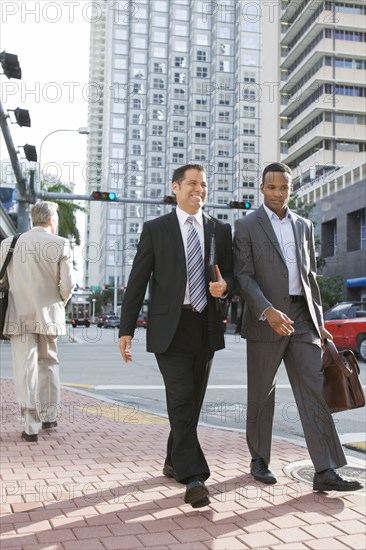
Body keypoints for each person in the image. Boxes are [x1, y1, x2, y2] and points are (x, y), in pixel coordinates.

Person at [233, 162, 362, 493]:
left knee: (314, 389)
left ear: (292, 189)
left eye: (284, 187)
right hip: (266, 320)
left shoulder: (304, 225)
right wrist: (267, 310)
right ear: (261, 189)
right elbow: (244, 276)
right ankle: (259, 459)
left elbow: (310, 278)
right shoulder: (246, 225)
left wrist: (320, 324)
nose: (278, 193)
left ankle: (325, 468)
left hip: (303, 318)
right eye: (272, 187)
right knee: (262, 393)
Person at [119, 164, 233, 507]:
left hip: (205, 326)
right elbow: (138, 281)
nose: (199, 189)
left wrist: (225, 286)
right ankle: (194, 476)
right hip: (169, 328)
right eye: (192, 184)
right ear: (176, 188)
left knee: (192, 404)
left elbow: (232, 277)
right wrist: (126, 330)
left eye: (204, 185)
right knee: (181, 400)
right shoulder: (157, 229)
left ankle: (172, 461)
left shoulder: (219, 230)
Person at [0, 201, 74, 442]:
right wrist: (59, 301)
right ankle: (49, 415)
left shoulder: (8, 244)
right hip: (50, 314)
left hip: (19, 313)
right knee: (49, 363)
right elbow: (68, 285)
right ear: (51, 220)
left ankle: (30, 426)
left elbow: (2, 281)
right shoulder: (61, 243)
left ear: (33, 219)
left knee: (25, 368)